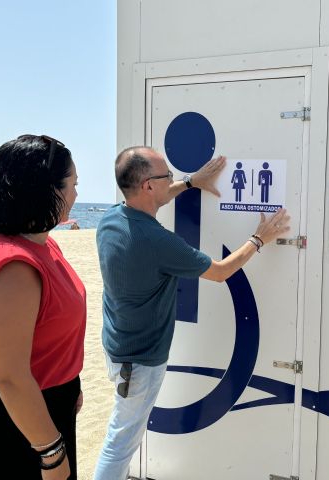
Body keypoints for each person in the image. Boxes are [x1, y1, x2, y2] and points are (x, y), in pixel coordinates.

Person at [94, 147, 290, 480]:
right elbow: (221, 271)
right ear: (147, 186)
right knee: (121, 441)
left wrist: (190, 182)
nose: (170, 179)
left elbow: (158, 196)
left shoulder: (112, 218)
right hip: (139, 361)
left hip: (119, 347)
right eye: (165, 175)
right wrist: (260, 238)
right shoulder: (157, 241)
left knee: (124, 432)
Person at [0, 135, 86, 479]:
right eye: (72, 185)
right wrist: (50, 451)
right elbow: (8, 376)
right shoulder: (13, 267)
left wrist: (72, 385)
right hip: (16, 418)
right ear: (46, 190)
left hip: (46, 404)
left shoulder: (42, 243)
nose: (76, 195)